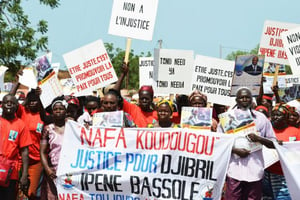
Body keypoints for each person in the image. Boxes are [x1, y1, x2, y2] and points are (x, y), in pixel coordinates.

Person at [217, 87, 276, 200]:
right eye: (241, 97)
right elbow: (219, 144)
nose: (244, 99)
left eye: (247, 97)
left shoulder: (261, 118)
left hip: (255, 170)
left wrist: (259, 139)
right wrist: (235, 150)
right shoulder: (226, 119)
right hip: (234, 171)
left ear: (252, 100)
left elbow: (273, 143)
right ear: (236, 100)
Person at [264, 103, 299, 199]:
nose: (275, 117)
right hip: (267, 174)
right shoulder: (267, 130)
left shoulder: (296, 132)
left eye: (279, 115)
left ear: (286, 116)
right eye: (273, 114)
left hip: (285, 176)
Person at [0, 94, 31, 199]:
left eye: (12, 103)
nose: (9, 104)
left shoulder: (21, 125)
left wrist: (24, 174)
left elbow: (25, 151)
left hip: (10, 171)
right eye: (6, 102)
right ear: (2, 105)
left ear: (17, 106)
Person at [40, 96, 68, 199]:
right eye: (55, 109)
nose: (58, 111)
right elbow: (42, 152)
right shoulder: (48, 129)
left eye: (61, 109)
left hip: (69, 171)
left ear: (65, 111)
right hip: (53, 171)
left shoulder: (73, 127)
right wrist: (47, 169)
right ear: (52, 112)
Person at [113, 62, 157, 127]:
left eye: (147, 98)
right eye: (142, 98)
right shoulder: (132, 109)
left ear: (151, 99)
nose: (144, 100)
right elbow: (115, 94)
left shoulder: (157, 114)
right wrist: (123, 74)